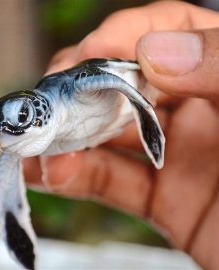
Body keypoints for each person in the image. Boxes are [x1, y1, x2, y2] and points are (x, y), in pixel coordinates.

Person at [23, 1, 219, 269]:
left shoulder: (74, 88)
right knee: (18, 166)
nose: (12, 131)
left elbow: (117, 80)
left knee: (98, 53)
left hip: (132, 93)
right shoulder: (34, 137)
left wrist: (147, 120)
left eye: (23, 116)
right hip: (100, 128)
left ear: (38, 105)